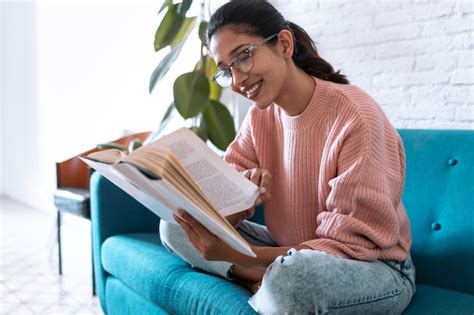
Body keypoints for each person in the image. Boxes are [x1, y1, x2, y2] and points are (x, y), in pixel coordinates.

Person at [159, 0, 416, 313]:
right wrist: (240, 201)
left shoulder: (355, 116)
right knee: (176, 225)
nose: (238, 81)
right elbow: (217, 210)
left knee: (294, 279)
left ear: (283, 44)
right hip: (289, 251)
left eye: (243, 57)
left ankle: (265, 281)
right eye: (226, 71)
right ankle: (264, 280)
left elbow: (349, 247)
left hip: (372, 267)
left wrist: (242, 255)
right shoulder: (259, 119)